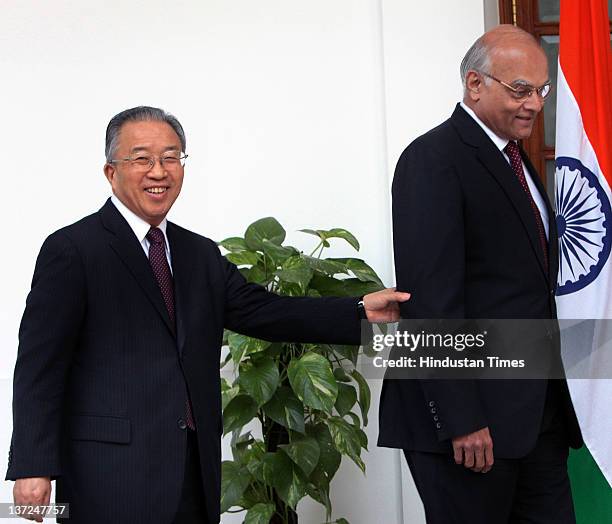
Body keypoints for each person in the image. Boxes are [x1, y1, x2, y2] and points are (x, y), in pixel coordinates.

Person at [6, 106, 410, 523]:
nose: (159, 171)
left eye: (171, 157)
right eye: (142, 159)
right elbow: (39, 364)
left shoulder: (198, 253)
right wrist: (33, 466)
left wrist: (358, 310)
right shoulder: (73, 249)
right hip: (108, 475)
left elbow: (264, 310)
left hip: (191, 471)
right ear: (111, 172)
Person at [378, 25, 583, 523]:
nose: (534, 104)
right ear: (474, 84)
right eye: (520, 90)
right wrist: (461, 418)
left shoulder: (518, 159)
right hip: (471, 429)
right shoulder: (433, 160)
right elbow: (430, 301)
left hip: (536, 418)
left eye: (541, 90)